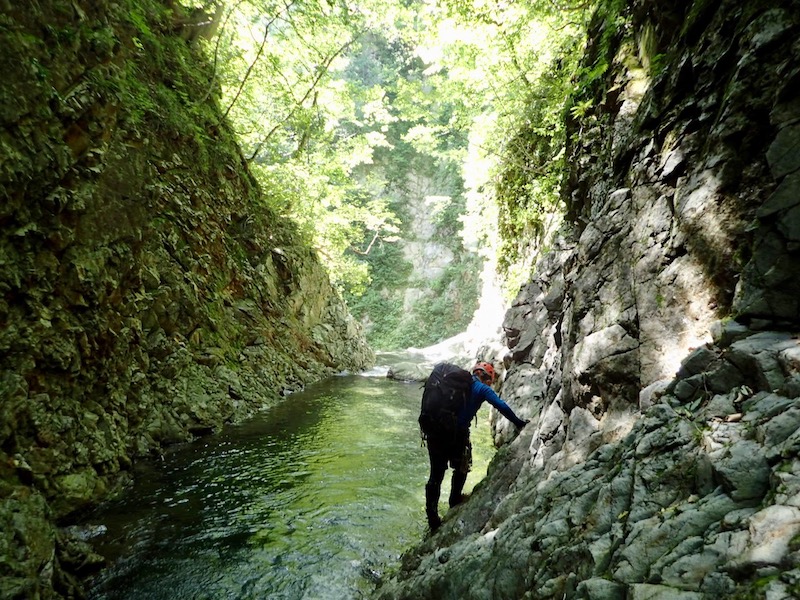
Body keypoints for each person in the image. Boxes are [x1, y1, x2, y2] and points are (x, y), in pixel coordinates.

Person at [424, 361, 529, 531]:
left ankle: (432, 518)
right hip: (456, 435)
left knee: (435, 475)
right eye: (490, 381)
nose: (490, 384)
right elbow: (501, 406)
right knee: (462, 466)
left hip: (434, 430)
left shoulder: (455, 383)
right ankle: (454, 499)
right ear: (487, 378)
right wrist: (519, 423)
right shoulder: (481, 388)